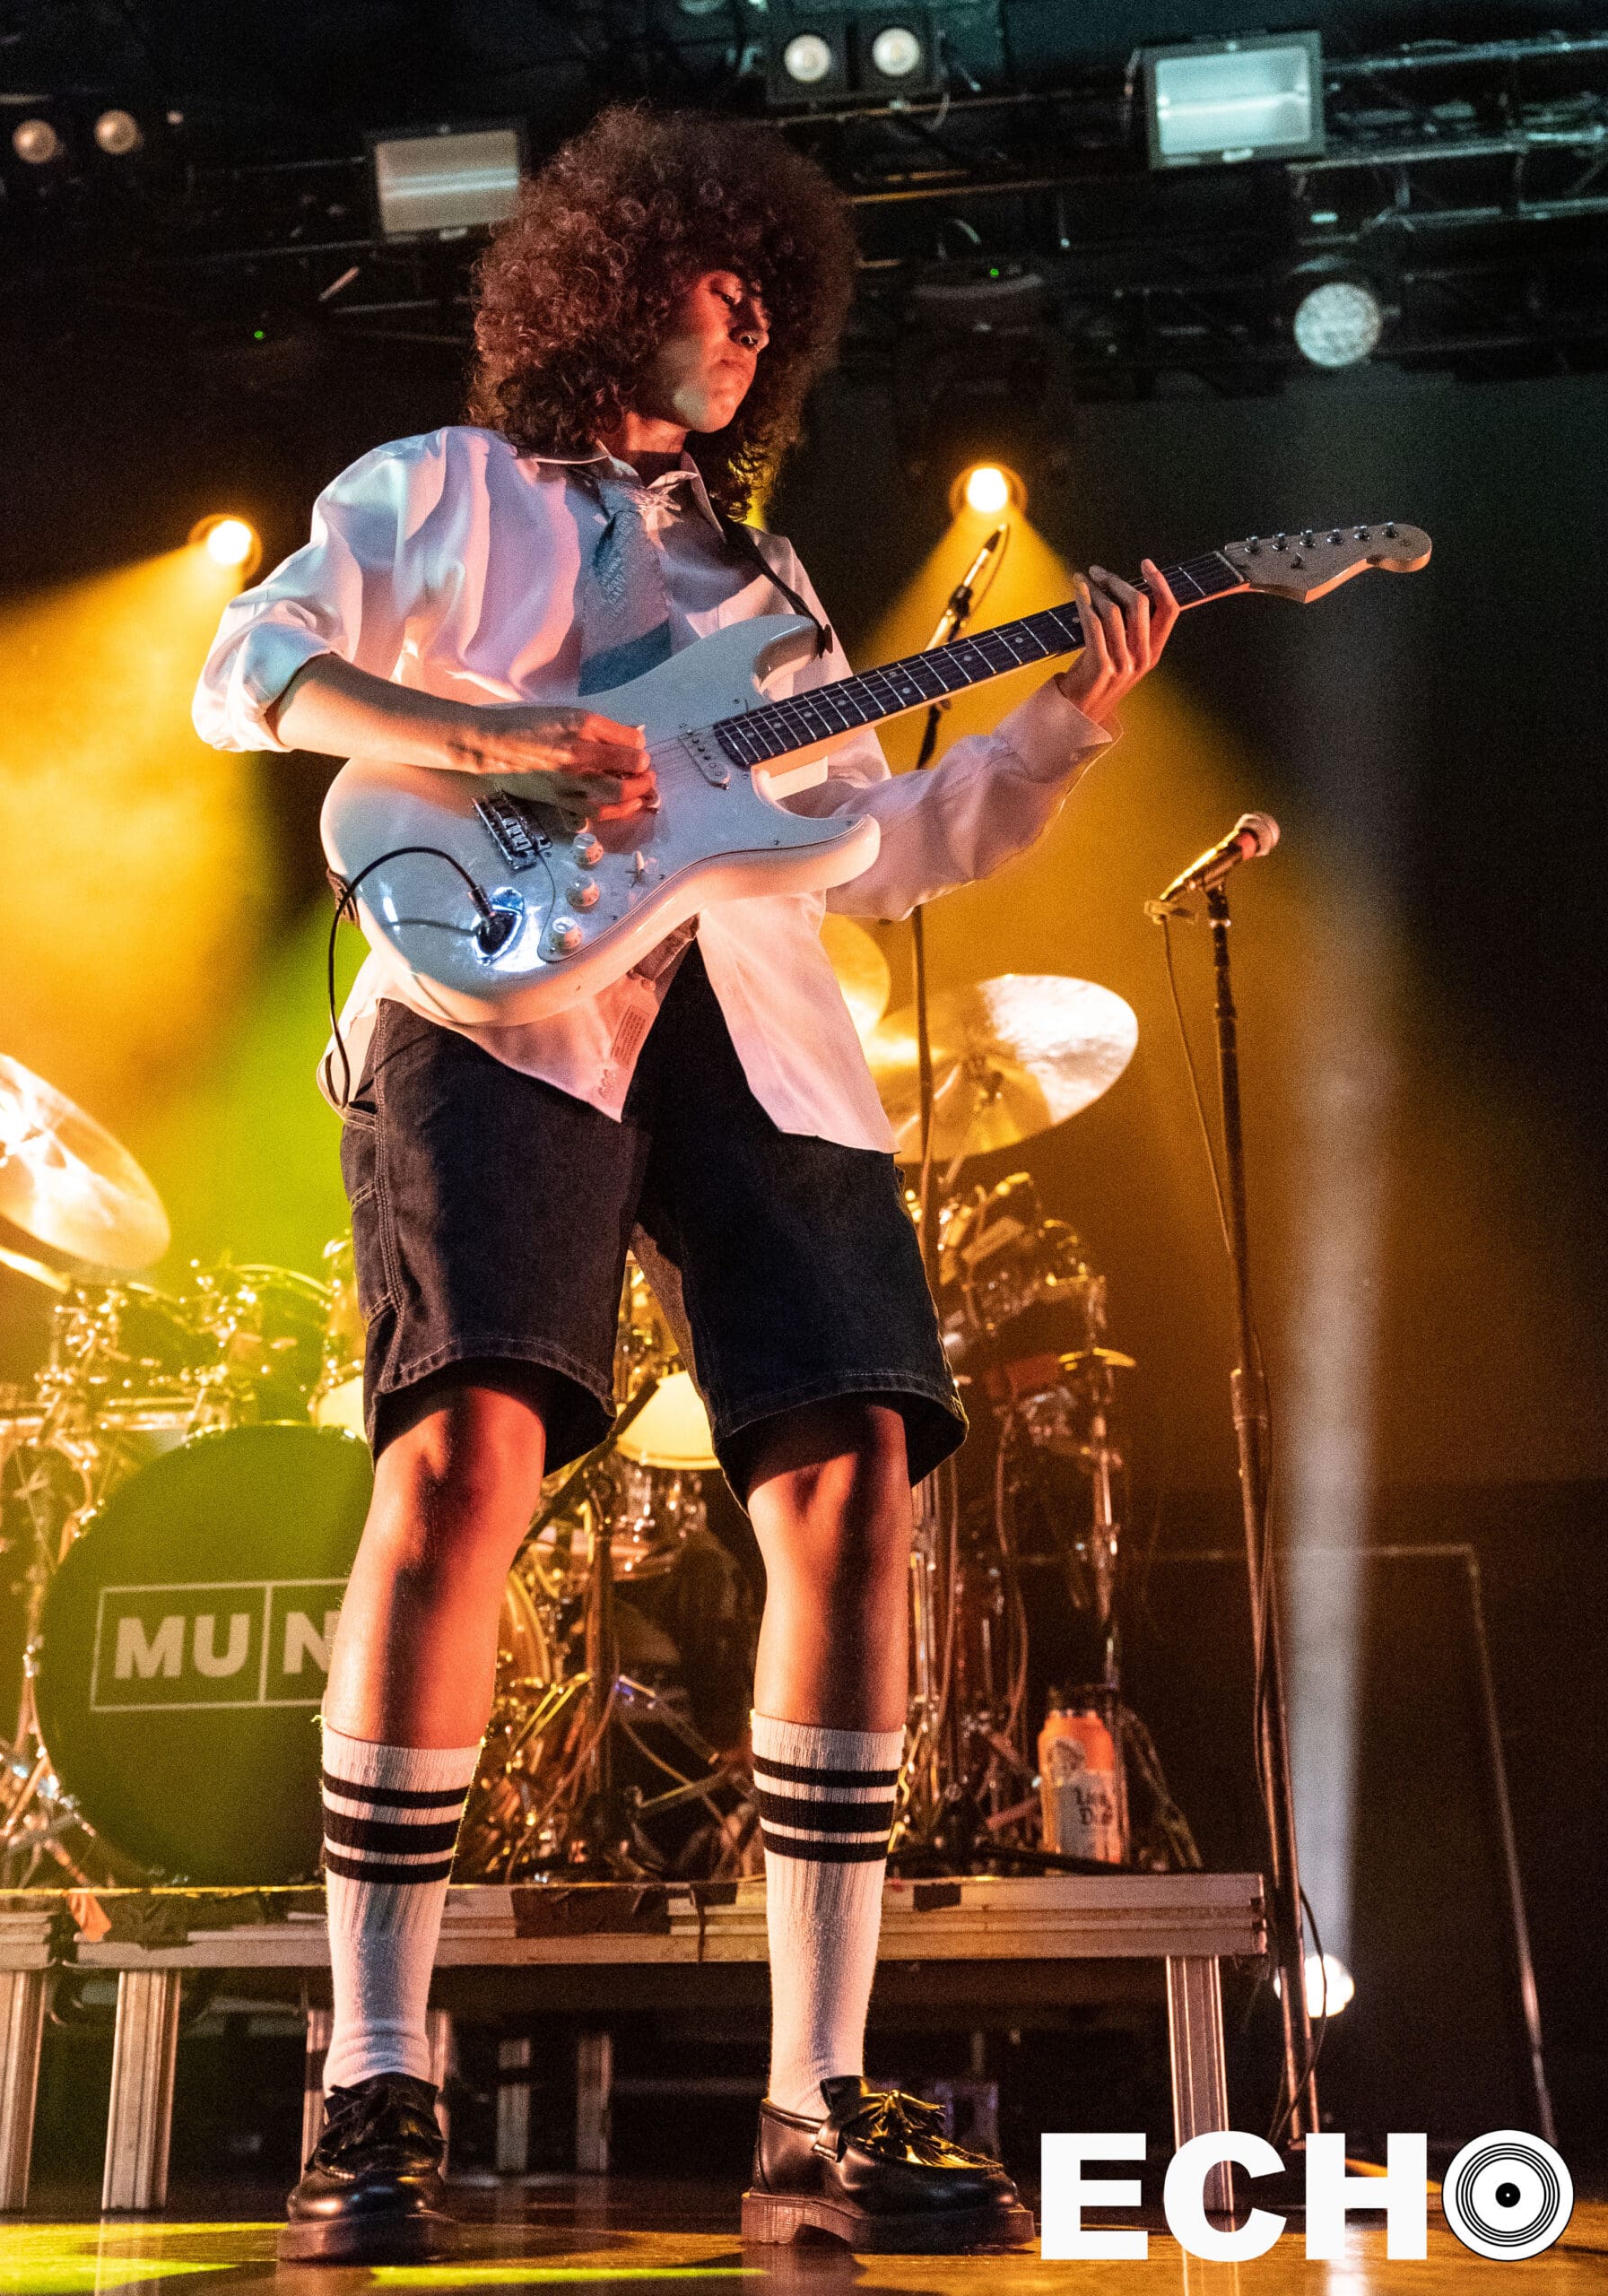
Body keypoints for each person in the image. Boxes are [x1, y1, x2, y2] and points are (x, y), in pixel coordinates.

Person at [194, 104, 1178, 2264]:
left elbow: (871, 850)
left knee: (853, 1481)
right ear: (605, 280)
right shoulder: (439, 489)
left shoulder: (780, 586)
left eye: (768, 298)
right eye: (712, 281)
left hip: (759, 1023)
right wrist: (499, 743)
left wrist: (1059, 731)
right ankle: (376, 2071)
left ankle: (817, 2093)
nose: (744, 322)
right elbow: (244, 671)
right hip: (497, 998)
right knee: (462, 1461)